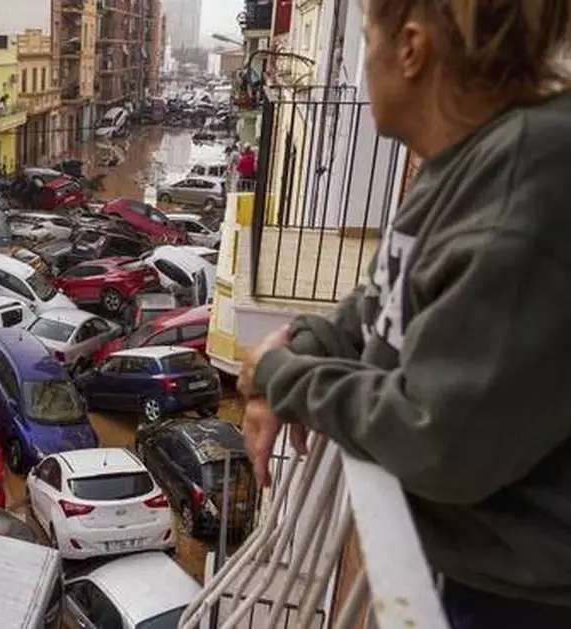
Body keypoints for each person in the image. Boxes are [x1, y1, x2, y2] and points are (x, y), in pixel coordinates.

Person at [236, 1, 571, 627]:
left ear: (411, 50)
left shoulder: (522, 186)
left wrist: (279, 374)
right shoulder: (462, 164)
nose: (362, 64)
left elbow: (436, 436)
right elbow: (377, 305)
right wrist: (305, 345)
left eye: (367, 39)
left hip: (519, 604)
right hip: (472, 575)